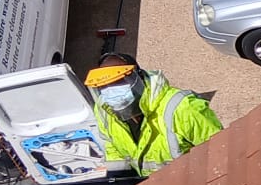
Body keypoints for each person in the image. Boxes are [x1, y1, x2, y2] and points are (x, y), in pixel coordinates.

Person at [84, 52, 223, 176]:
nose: (111, 92)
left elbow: (220, 151)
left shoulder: (182, 107)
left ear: (138, 77)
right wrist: (120, 178)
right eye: (103, 86)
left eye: (118, 82)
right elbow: (111, 147)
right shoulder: (104, 111)